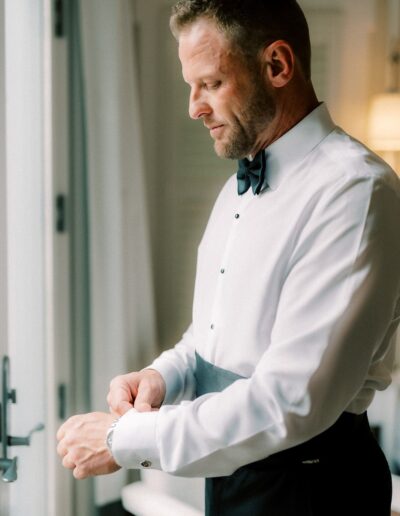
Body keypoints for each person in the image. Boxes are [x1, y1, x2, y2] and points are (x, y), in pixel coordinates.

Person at [57, 1, 400, 514]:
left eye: (211, 83)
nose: (193, 106)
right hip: (233, 478)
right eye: (189, 86)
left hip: (312, 489)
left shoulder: (355, 192)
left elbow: (291, 401)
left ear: (278, 66)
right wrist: (163, 376)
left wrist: (121, 438)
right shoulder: (237, 190)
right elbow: (213, 335)